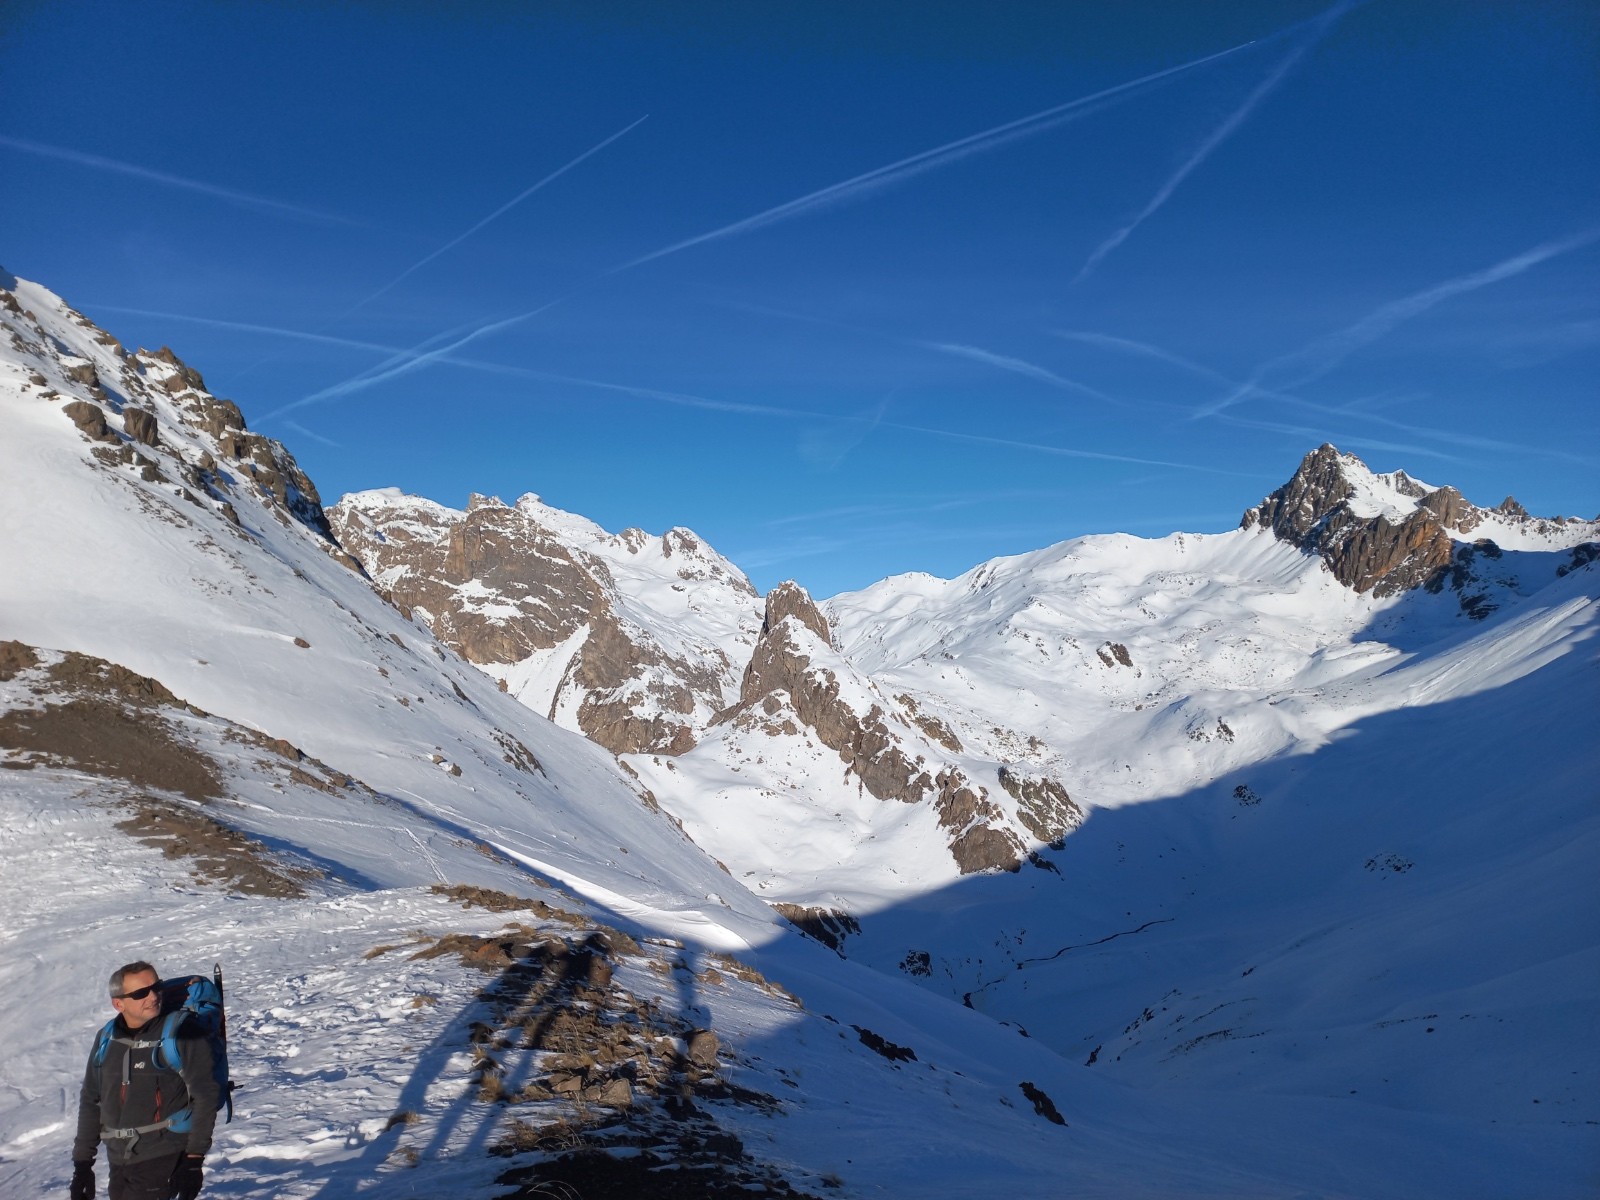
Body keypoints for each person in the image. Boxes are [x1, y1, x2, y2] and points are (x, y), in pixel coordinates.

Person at [71, 962, 219, 1200]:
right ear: (118, 1003)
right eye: (141, 993)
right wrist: (82, 1165)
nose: (153, 996)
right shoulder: (107, 1038)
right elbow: (91, 1098)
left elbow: (205, 1095)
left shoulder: (181, 1032)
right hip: (118, 1159)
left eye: (156, 987)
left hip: (162, 1155)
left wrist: (194, 1159)